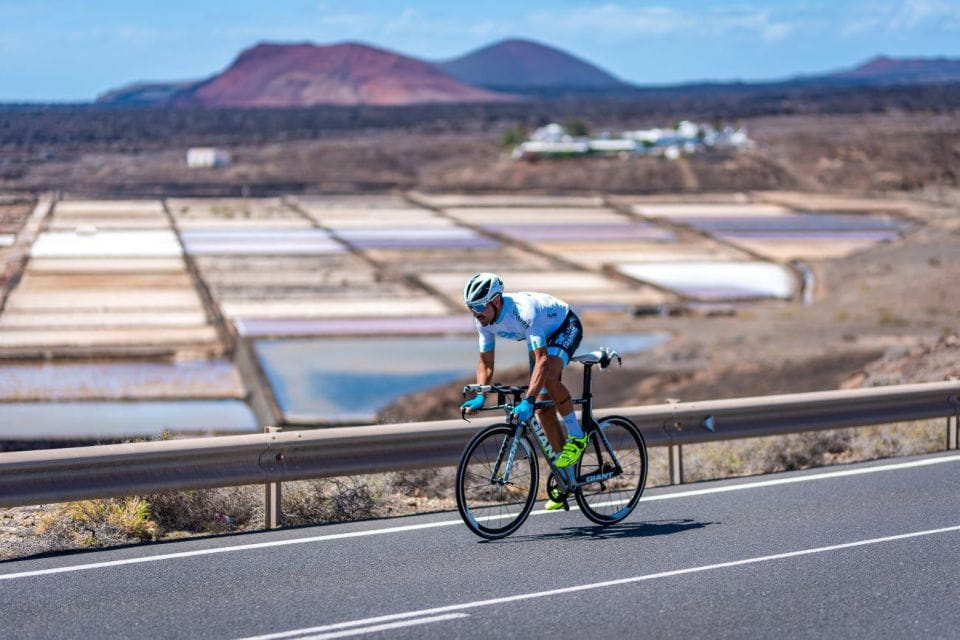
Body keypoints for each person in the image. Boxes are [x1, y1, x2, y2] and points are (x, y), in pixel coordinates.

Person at [459, 273, 585, 509]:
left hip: (564, 326)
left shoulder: (523, 311)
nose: (475, 313)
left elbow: (542, 361)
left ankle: (577, 436)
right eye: (471, 307)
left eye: (479, 306)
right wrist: (481, 396)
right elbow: (486, 363)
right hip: (539, 335)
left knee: (547, 377)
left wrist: (528, 399)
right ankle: (566, 477)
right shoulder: (483, 321)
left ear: (496, 301)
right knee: (543, 411)